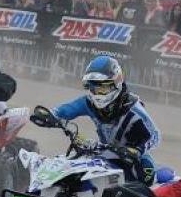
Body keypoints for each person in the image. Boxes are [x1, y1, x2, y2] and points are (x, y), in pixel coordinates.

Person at [51, 56, 161, 186]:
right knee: (70, 168)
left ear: (116, 83)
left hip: (132, 157)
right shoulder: (89, 103)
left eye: (103, 88)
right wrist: (50, 115)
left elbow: (154, 135)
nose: (98, 93)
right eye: (94, 88)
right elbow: (65, 110)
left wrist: (137, 150)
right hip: (104, 153)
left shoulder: (133, 109)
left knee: (146, 173)